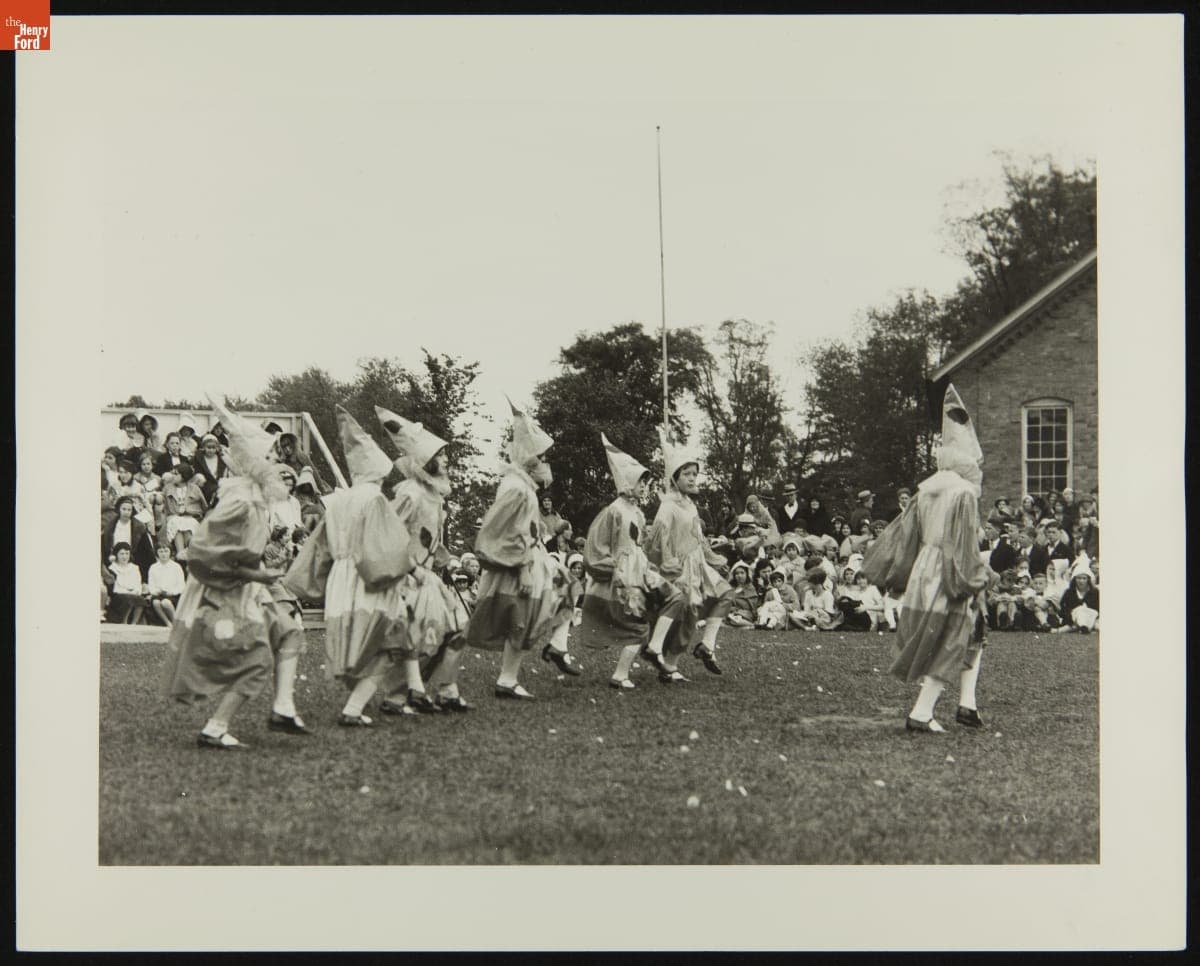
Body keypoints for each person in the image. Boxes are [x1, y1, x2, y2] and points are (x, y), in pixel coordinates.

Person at [161, 395, 312, 748]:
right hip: (227, 591)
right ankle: (216, 727)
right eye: (272, 457)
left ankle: (283, 707)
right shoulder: (241, 500)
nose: (278, 463)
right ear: (258, 463)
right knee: (254, 660)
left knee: (289, 632)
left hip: (248, 585)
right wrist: (257, 574)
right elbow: (205, 549)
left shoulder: (257, 497)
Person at [860, 385, 994, 733]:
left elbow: (907, 537)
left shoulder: (927, 491)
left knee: (974, 633)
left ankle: (967, 704)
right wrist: (975, 578)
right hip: (948, 568)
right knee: (952, 636)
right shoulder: (963, 493)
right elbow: (961, 544)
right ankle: (922, 712)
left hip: (926, 566)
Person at [285, 406, 415, 726]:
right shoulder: (374, 499)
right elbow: (383, 545)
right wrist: (404, 570)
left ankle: (360, 701)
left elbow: (321, 547)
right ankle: (354, 708)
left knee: (355, 641)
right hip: (366, 576)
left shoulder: (338, 500)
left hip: (341, 580)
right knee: (388, 640)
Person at [464, 398, 577, 699]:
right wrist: (522, 567)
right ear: (528, 458)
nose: (545, 463)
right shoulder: (516, 488)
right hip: (520, 563)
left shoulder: (523, 486)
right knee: (521, 617)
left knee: (564, 588)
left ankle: (556, 646)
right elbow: (509, 531)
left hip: (531, 559)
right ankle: (507, 678)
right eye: (540, 457)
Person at [372, 404, 474, 713]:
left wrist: (446, 560)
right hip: (409, 576)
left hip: (430, 573)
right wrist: (411, 568)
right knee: (416, 634)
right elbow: (390, 533)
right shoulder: (410, 494)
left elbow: (430, 538)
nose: (446, 460)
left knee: (459, 625)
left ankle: (446, 688)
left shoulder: (435, 496)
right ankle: (401, 695)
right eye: (440, 456)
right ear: (426, 462)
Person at [575, 433, 687, 689]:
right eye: (640, 481)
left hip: (640, 571)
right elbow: (596, 549)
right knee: (637, 626)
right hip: (625, 577)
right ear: (627, 481)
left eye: (644, 482)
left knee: (675, 598)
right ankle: (621, 674)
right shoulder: (613, 511)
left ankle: (655, 647)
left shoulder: (636, 511)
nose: (644, 485)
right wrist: (614, 570)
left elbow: (640, 546)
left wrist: (650, 564)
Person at [643, 427, 735, 682]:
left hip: (698, 564)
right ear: (675, 477)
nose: (693, 478)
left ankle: (706, 645)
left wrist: (712, 557)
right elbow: (657, 538)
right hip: (679, 567)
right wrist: (668, 564)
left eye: (695, 473)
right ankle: (669, 664)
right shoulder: (668, 505)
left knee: (725, 594)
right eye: (687, 474)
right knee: (688, 615)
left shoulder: (691, 504)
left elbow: (698, 537)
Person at [102, 495, 157, 584]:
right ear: (119, 509)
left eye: (129, 510)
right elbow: (105, 547)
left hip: (134, 561)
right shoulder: (110, 526)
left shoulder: (139, 527)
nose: (126, 512)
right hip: (114, 561)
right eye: (124, 509)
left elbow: (147, 551)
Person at [105, 542, 147, 623]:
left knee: (140, 600)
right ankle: (124, 621)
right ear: (116, 555)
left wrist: (135, 591)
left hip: (133, 592)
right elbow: (115, 587)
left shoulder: (134, 568)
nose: (124, 556)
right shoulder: (112, 568)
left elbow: (138, 583)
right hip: (118, 594)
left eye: (127, 553)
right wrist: (127, 592)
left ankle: (134, 623)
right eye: (122, 554)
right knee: (128, 599)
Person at [1057, 557, 1100, 632]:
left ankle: (1083, 627)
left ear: (1088, 580)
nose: (1081, 581)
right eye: (1078, 578)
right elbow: (1063, 609)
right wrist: (1070, 615)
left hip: (1091, 617)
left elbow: (1098, 608)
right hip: (1074, 618)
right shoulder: (1069, 592)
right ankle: (1083, 627)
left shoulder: (1095, 592)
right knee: (1079, 611)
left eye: (1084, 578)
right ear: (1074, 579)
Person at [147, 543, 186, 625]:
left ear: (170, 552)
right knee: (156, 602)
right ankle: (167, 623)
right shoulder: (153, 567)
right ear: (157, 553)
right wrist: (156, 591)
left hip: (173, 595)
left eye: (166, 551)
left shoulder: (176, 567)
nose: (163, 554)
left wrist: (172, 592)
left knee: (165, 602)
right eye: (160, 551)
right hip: (159, 594)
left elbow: (181, 585)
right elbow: (151, 584)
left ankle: (176, 622)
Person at [193, 433, 229, 506]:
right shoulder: (199, 458)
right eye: (209, 447)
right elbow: (197, 472)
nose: (211, 450)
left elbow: (224, 473)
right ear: (204, 447)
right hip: (206, 483)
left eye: (213, 448)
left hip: (219, 482)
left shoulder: (221, 459)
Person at [725, 561, 759, 628]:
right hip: (731, 613)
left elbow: (751, 605)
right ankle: (742, 626)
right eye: (737, 573)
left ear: (747, 574)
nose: (739, 575)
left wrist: (737, 606)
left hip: (745, 614)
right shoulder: (731, 588)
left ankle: (752, 625)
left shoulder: (750, 588)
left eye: (742, 573)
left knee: (734, 619)